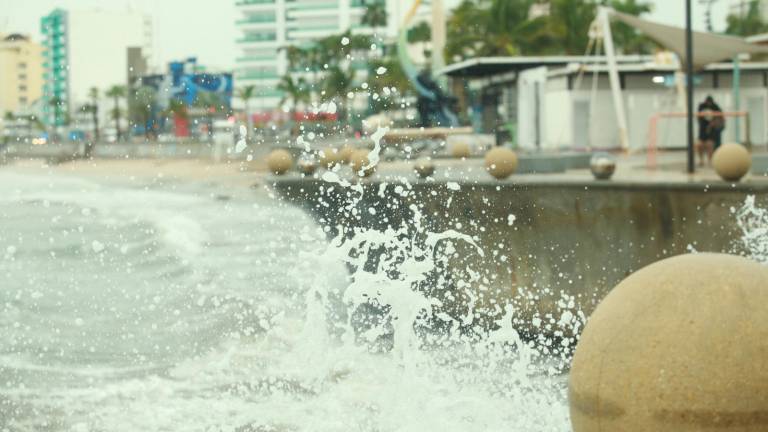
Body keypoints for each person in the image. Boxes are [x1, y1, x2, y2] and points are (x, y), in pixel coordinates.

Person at [697, 96, 725, 166]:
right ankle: (701, 160)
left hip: (712, 130)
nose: (709, 104)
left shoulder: (716, 107)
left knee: (710, 145)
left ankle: (710, 160)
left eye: (710, 103)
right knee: (699, 145)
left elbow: (721, 118)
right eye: (708, 103)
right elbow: (698, 117)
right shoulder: (701, 106)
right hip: (703, 129)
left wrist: (714, 123)